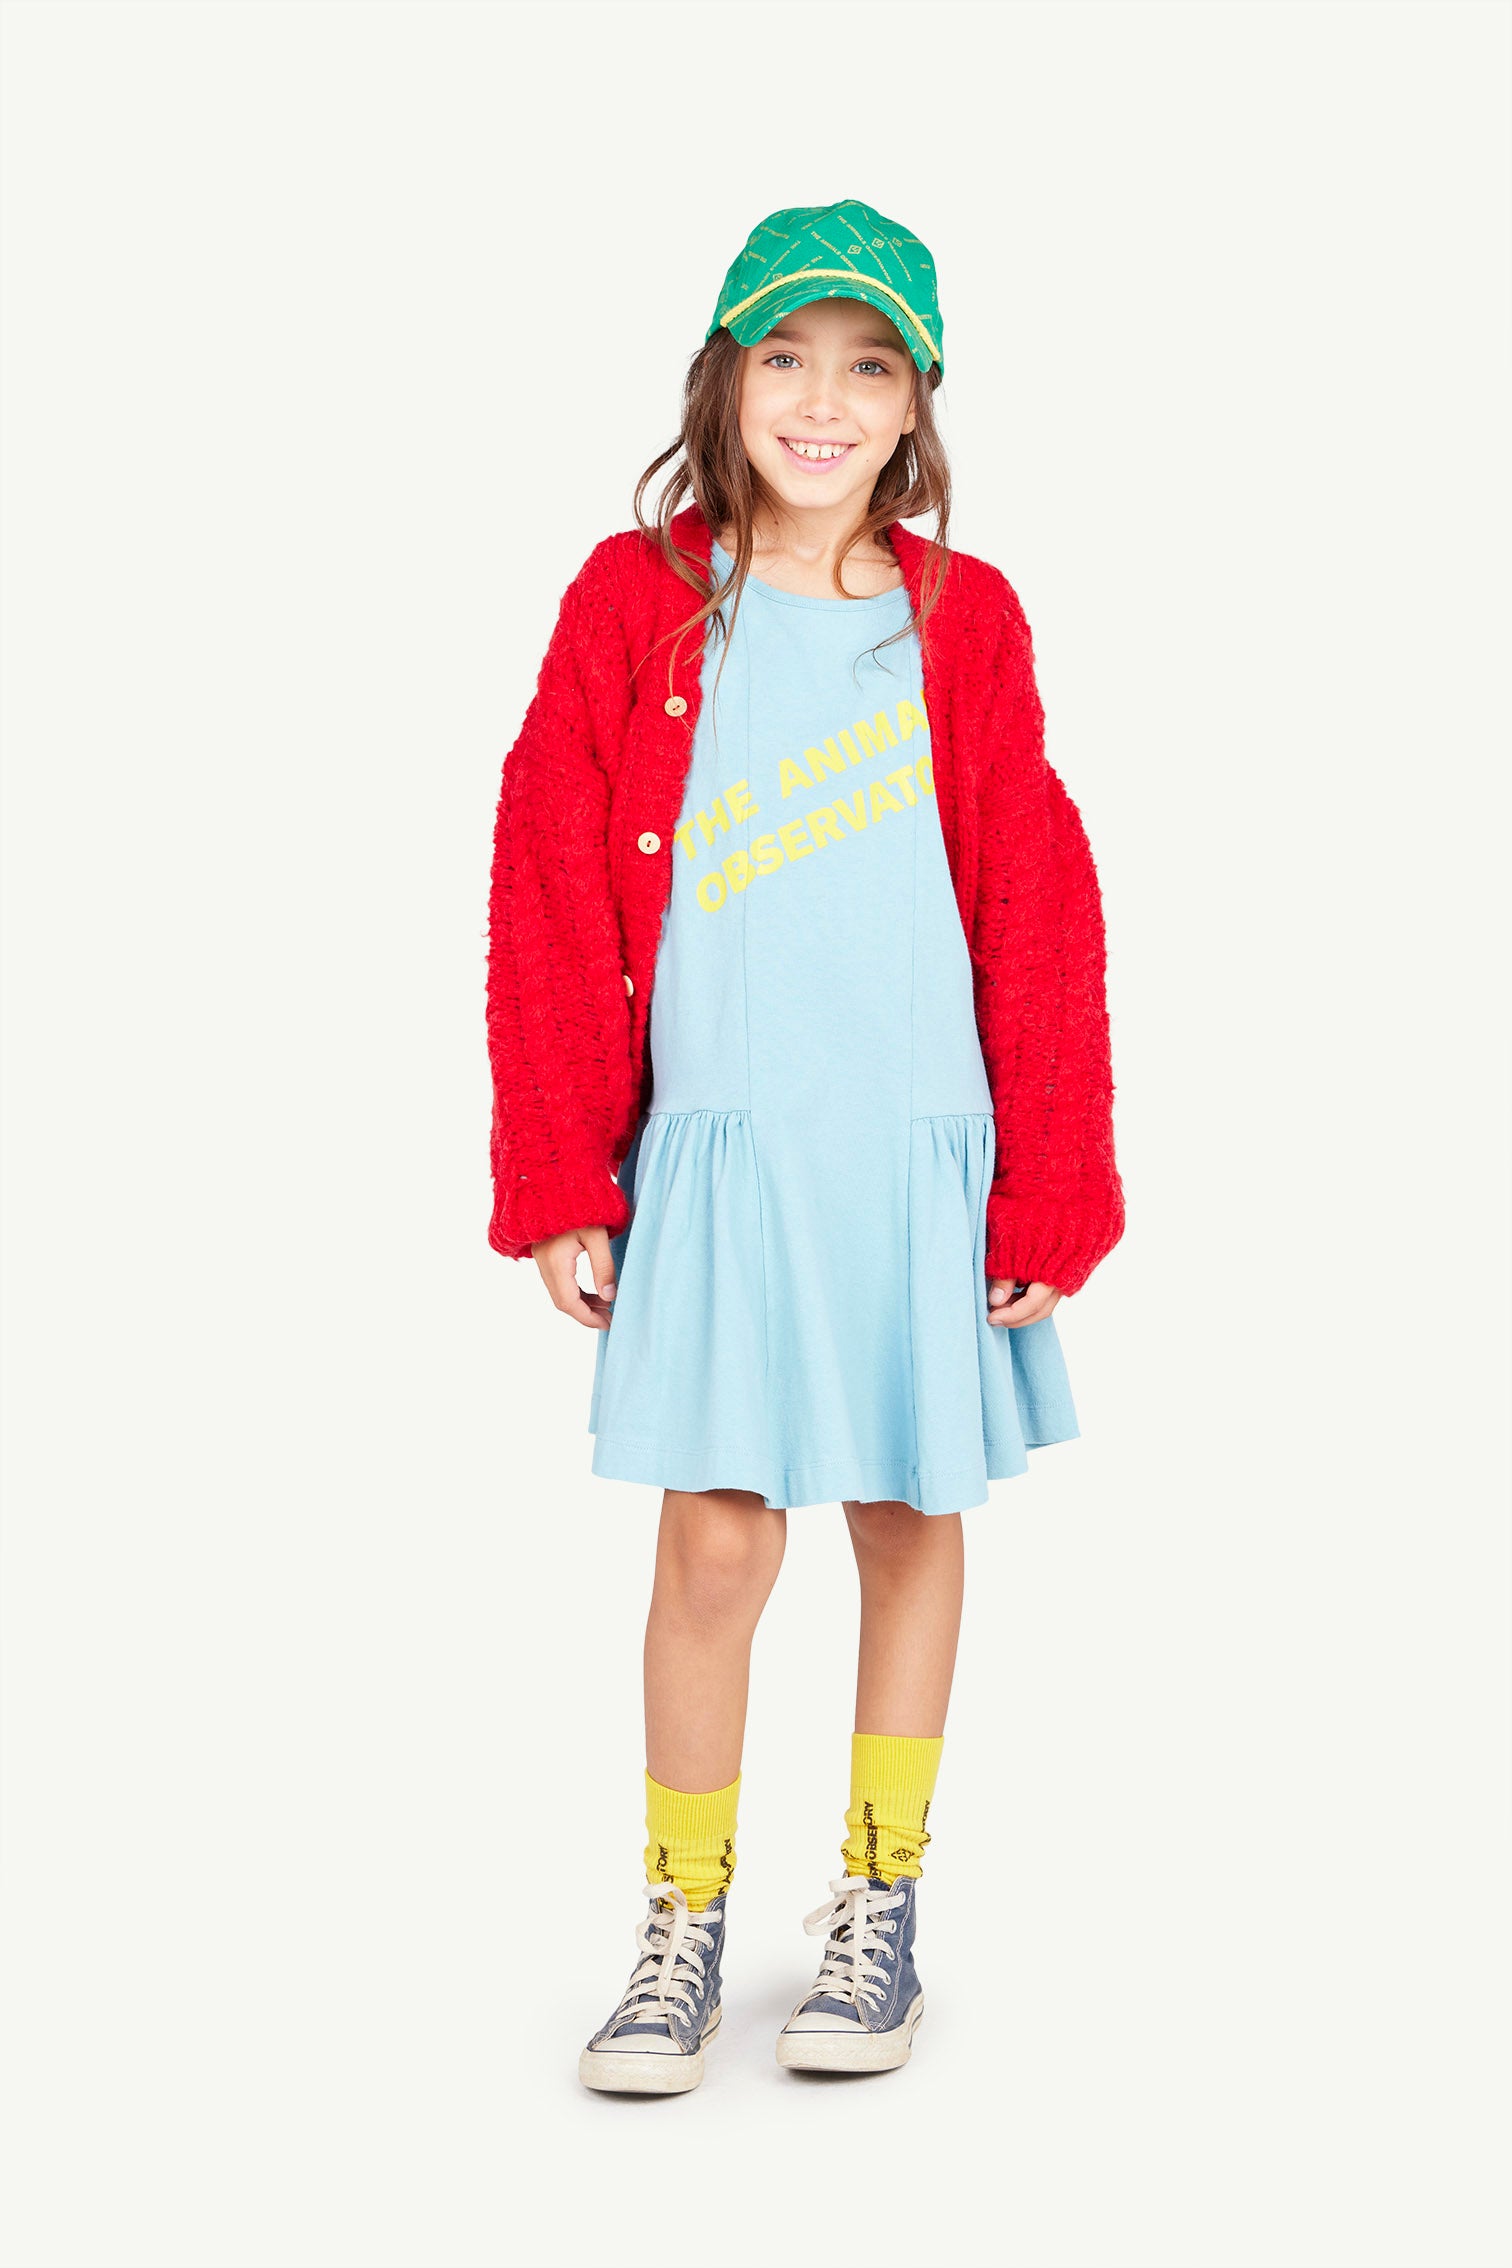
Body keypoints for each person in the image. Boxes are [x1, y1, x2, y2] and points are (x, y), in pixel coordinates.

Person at [485, 199, 1124, 2093]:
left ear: (917, 403)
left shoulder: (964, 617)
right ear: (726, 378)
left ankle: (878, 1912)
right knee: (712, 1544)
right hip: (726, 1153)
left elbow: (1036, 898)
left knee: (908, 1516)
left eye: (867, 365)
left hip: (915, 1145)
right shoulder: (637, 600)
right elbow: (547, 873)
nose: (822, 402)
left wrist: (1052, 1181)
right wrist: (560, 1167)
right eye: (785, 357)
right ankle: (681, 1926)